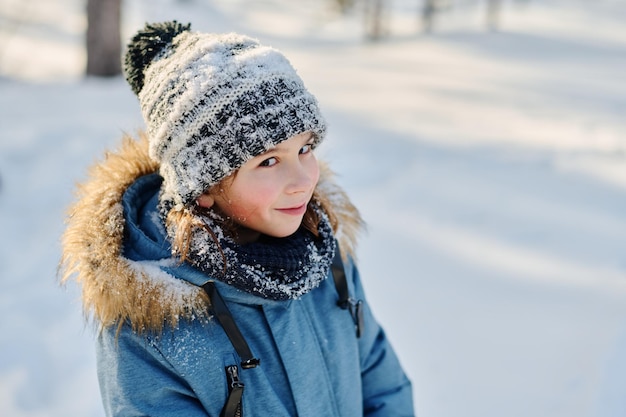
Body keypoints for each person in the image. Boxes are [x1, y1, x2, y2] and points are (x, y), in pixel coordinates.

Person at [60, 21, 415, 417]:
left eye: (305, 148)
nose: (302, 182)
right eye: (268, 161)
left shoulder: (323, 251)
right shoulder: (152, 327)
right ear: (204, 188)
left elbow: (381, 379)